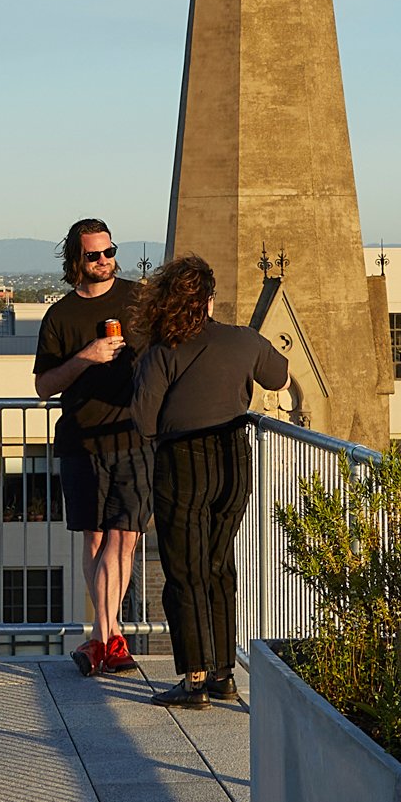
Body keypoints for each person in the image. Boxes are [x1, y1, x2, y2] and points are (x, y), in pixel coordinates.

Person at [130, 254, 287, 709]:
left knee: (186, 570)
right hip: (235, 459)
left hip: (183, 461)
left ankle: (194, 679)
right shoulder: (244, 341)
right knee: (219, 565)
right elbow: (279, 377)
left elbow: (143, 420)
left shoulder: (162, 352)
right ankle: (224, 674)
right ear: (210, 301)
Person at [31, 216, 150, 676]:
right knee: (96, 537)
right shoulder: (60, 316)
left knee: (125, 536)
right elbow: (43, 385)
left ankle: (106, 635)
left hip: (133, 436)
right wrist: (88, 356)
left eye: (109, 251)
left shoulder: (138, 300)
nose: (104, 261)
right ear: (75, 261)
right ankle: (108, 634)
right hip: (82, 439)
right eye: (93, 255)